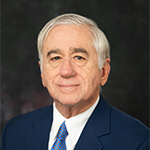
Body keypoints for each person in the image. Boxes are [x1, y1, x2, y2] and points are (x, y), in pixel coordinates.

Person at [1, 13, 149, 150]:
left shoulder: (138, 142)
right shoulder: (15, 132)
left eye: (79, 57)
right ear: (42, 73)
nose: (66, 71)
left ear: (103, 72)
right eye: (56, 58)